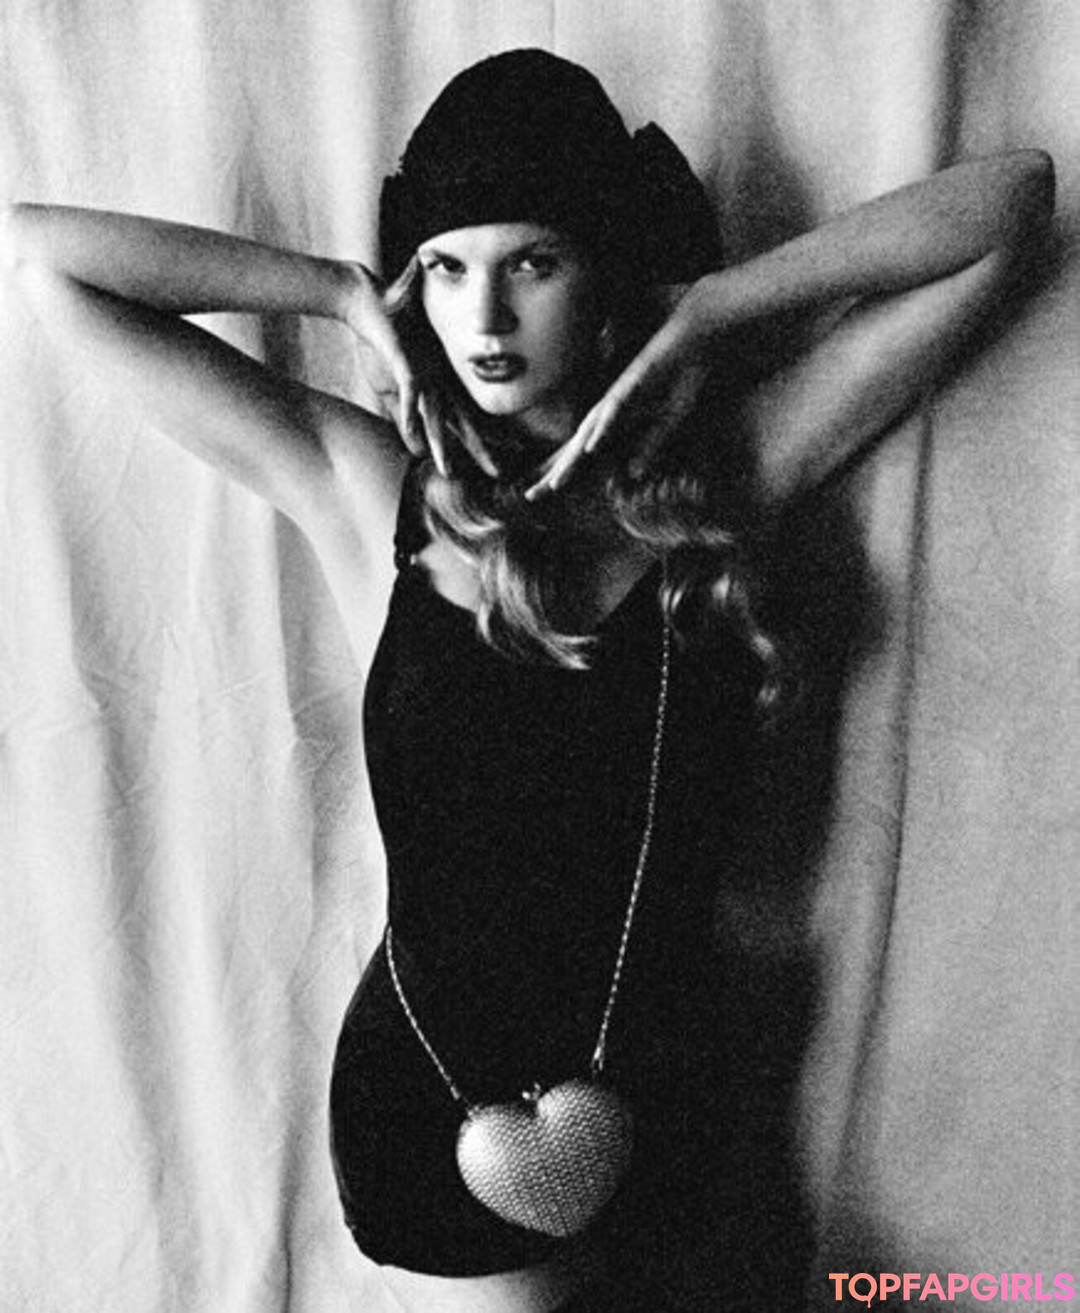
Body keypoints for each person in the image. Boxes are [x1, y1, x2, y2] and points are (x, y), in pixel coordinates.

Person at [1, 46, 1053, 1313]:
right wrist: (337, 293)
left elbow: (1012, 206)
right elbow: (44, 260)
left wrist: (713, 308)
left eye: (533, 263)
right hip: (433, 1111)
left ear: (604, 275)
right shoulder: (372, 495)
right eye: (448, 268)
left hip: (670, 1105)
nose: (485, 319)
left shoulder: (725, 473)